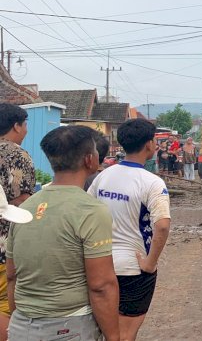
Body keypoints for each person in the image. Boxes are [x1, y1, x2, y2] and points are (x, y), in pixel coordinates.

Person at [7, 126, 119, 340]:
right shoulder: (90, 211)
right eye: (96, 151)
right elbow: (101, 286)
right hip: (69, 327)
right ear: (89, 160)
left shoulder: (26, 208)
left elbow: (12, 276)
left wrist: (21, 321)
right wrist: (114, 336)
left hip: (21, 326)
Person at [88, 118, 171, 341]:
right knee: (125, 334)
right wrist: (150, 263)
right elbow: (162, 225)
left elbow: (87, 214)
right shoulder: (152, 182)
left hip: (100, 264)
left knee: (104, 331)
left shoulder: (102, 176)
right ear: (149, 144)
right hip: (133, 269)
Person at [0, 103, 35, 340]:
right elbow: (22, 199)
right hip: (5, 244)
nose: (26, 131)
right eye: (25, 125)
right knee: (4, 304)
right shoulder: (16, 154)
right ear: (16, 125)